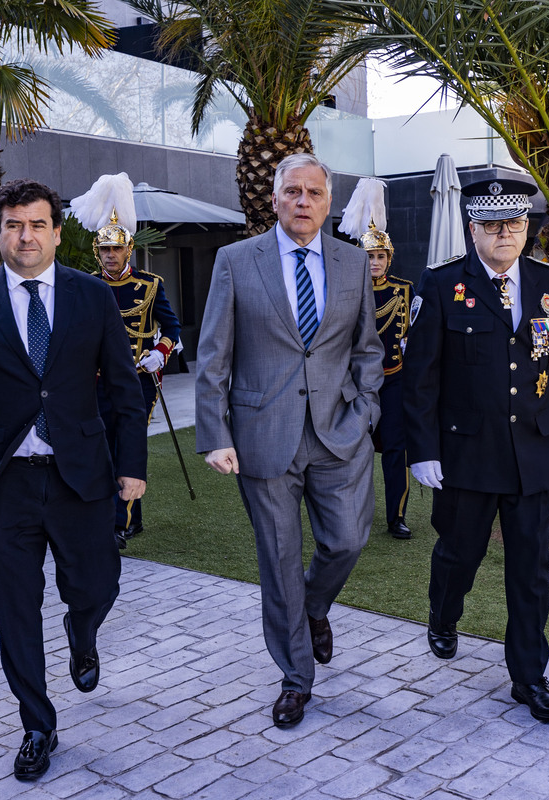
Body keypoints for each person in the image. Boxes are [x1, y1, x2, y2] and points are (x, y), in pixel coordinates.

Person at [0, 179, 147, 780]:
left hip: (82, 478)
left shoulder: (93, 296)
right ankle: (37, 725)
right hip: (3, 484)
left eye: (38, 224)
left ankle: (83, 627)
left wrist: (131, 468)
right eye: (14, 225)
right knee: (15, 612)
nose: (26, 236)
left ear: (55, 231)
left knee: (97, 585)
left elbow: (125, 389)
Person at [195, 153, 384, 729]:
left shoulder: (353, 263)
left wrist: (366, 408)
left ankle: (316, 606)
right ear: (274, 199)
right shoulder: (234, 261)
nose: (304, 201)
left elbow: (367, 348)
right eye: (293, 191)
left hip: (338, 433)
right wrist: (214, 434)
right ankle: (296, 678)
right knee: (277, 563)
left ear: (329, 203)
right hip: (262, 437)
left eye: (315, 193)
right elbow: (213, 356)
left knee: (348, 539)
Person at [403, 176, 549, 724]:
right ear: (473, 230)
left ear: (527, 227)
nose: (504, 234)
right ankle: (443, 612)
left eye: (513, 224)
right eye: (491, 225)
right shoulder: (441, 286)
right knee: (460, 553)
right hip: (465, 453)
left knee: (530, 571)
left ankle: (529, 677)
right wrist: (423, 451)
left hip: (534, 452)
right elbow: (420, 380)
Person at [92, 201, 181, 548]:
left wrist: (161, 352)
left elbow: (172, 327)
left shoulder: (151, 284)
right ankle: (130, 518)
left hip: (138, 380)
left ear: (129, 249)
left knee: (127, 448)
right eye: (105, 248)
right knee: (105, 450)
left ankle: (119, 525)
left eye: (116, 248)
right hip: (97, 382)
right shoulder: (86, 286)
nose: (110, 254)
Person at [338, 177, 414, 539]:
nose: (375, 262)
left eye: (381, 256)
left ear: (389, 257)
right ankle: (354, 514)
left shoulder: (404, 290)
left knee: (396, 450)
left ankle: (396, 516)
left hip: (395, 378)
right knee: (355, 450)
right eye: (369, 256)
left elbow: (412, 335)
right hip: (355, 382)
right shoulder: (346, 290)